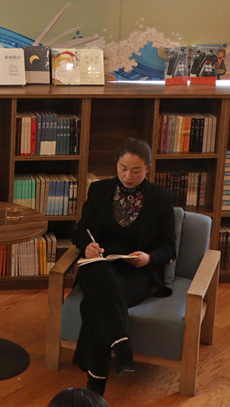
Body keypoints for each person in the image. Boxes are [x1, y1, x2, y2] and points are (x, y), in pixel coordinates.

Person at [71, 137, 176, 397]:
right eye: (123, 168)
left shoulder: (161, 199)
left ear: (148, 169)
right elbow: (81, 231)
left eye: (136, 170)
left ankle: (96, 386)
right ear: (116, 164)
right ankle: (121, 344)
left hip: (135, 273)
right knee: (102, 273)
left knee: (95, 303)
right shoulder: (99, 190)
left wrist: (147, 258)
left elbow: (168, 248)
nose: (128, 176)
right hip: (98, 265)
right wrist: (87, 246)